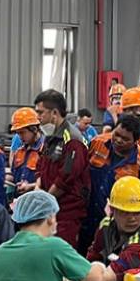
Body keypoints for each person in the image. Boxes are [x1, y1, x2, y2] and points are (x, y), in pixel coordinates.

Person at [35, 89, 90, 248]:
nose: (38, 117)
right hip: (51, 208)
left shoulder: (72, 139)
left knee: (61, 254)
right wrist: (39, 184)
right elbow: (41, 164)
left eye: (41, 112)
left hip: (67, 212)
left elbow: (66, 176)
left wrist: (46, 199)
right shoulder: (50, 137)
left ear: (54, 113)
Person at [83, 114, 140, 252]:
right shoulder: (97, 143)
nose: (118, 140)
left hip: (113, 223)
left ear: (136, 141)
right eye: (116, 134)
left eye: (125, 139)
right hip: (86, 213)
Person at [86, 176, 140, 281]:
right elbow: (93, 257)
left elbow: (107, 278)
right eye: (125, 212)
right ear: (113, 210)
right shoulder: (105, 225)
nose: (132, 219)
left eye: (137, 213)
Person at [9, 107, 45, 198]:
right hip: (21, 202)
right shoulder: (19, 152)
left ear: (34, 129)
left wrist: (31, 186)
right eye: (17, 133)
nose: (20, 137)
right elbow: (14, 176)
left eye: (22, 132)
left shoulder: (46, 151)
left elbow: (52, 182)